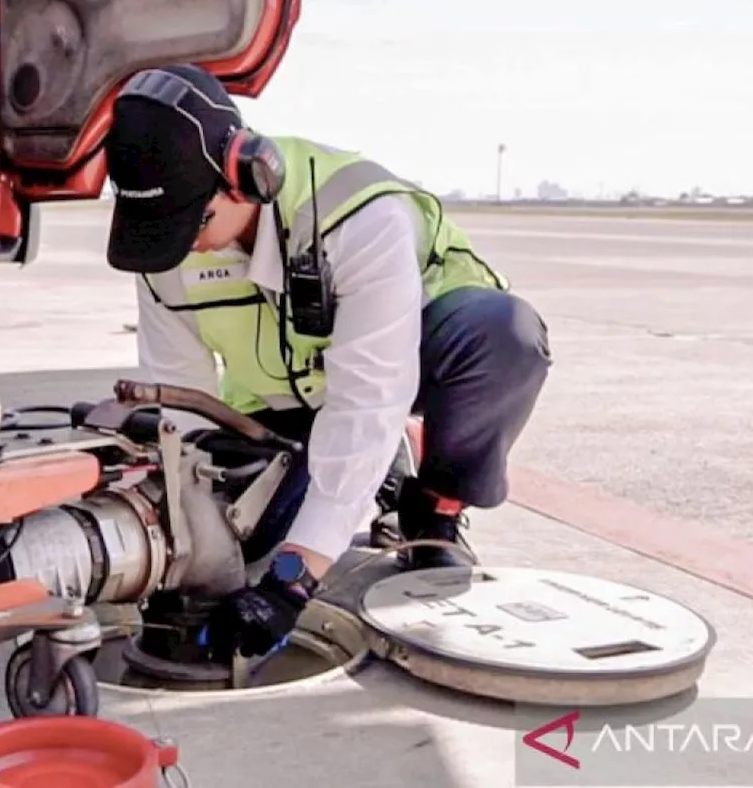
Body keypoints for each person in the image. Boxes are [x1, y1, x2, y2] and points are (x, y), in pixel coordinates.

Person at [101, 63, 552, 662]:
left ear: (246, 175)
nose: (183, 244)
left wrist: (295, 577)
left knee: (502, 336)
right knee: (242, 544)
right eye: (162, 229)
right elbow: (180, 395)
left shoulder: (355, 216)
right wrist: (185, 522)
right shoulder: (166, 251)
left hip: (415, 358)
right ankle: (374, 462)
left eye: (194, 221)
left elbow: (370, 394)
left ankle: (432, 509)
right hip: (281, 406)